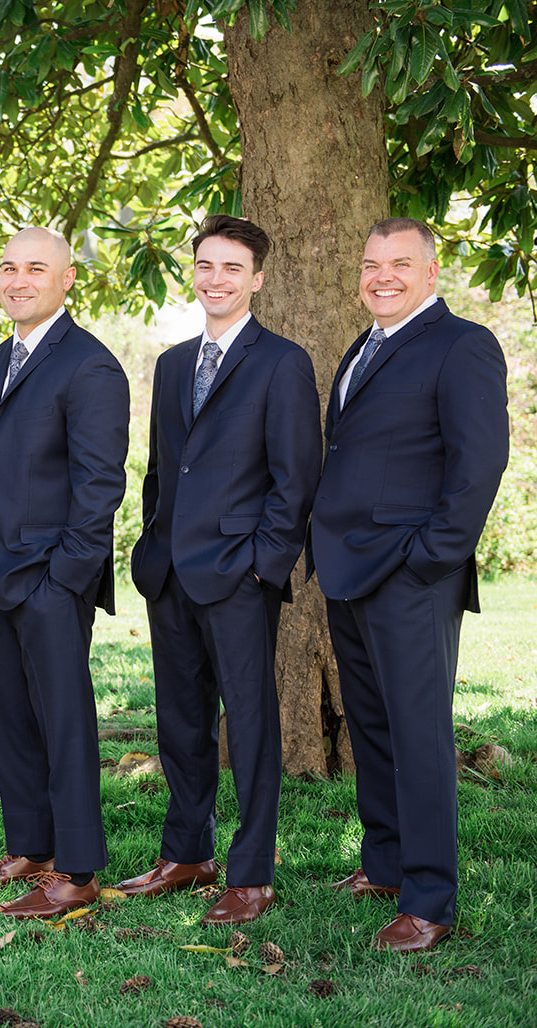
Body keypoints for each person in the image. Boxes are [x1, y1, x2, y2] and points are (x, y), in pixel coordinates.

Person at [113, 215, 321, 924]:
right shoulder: (172, 363)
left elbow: (295, 479)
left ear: (256, 278)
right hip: (169, 572)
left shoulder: (282, 361)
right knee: (179, 721)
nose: (216, 279)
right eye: (206, 265)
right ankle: (187, 852)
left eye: (232, 268)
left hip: (239, 574)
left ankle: (252, 873)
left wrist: (264, 566)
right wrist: (150, 547)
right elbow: (162, 468)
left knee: (252, 725)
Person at [309, 217, 508, 952]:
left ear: (431, 271)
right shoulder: (365, 346)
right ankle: (386, 865)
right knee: (373, 727)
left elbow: (478, 464)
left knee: (419, 737)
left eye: (399, 263)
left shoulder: (463, 345)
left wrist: (430, 560)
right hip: (348, 569)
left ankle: (430, 901)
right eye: (371, 264)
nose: (382, 276)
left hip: (411, 575)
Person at [0, 226, 130, 919]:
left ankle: (78, 871)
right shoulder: (2, 359)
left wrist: (65, 579)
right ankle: (30, 847)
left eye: (35, 268)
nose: (17, 280)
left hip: (51, 579)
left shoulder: (90, 366)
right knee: (10, 716)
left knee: (63, 720)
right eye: (7, 268)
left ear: (67, 280)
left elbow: (99, 486)